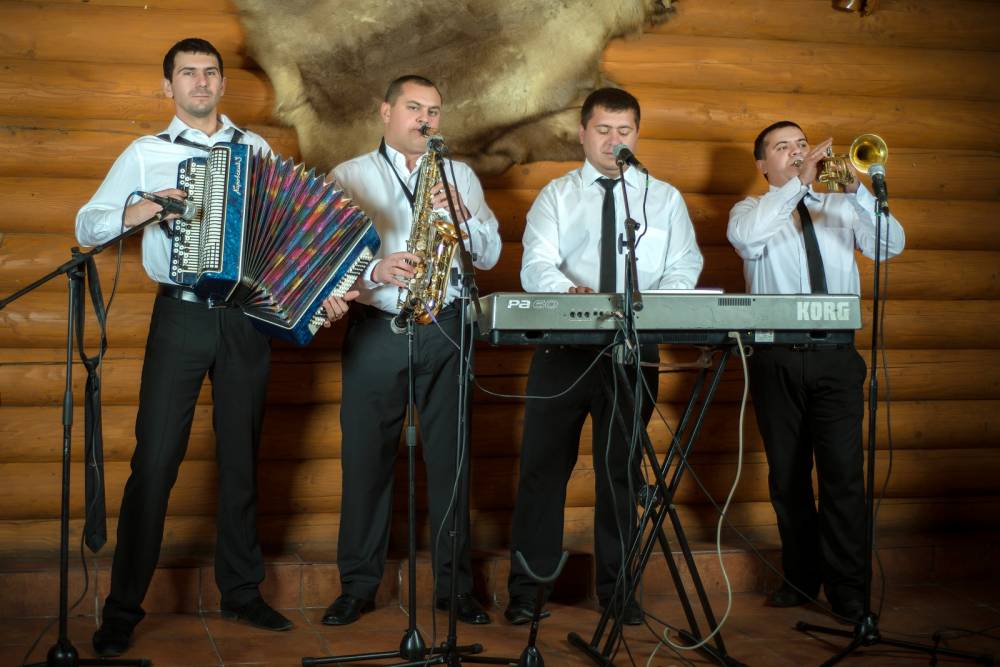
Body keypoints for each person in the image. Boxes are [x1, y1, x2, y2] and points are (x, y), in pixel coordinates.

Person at [76, 38, 354, 657]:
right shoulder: (146, 152)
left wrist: (322, 294)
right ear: (168, 87)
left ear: (223, 84)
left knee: (240, 458)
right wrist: (145, 208)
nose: (200, 82)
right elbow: (87, 224)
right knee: (154, 462)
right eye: (187, 73)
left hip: (244, 320)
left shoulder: (256, 151)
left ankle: (241, 592)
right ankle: (122, 609)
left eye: (209, 73)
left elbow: (287, 241)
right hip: (180, 316)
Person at [505, 88, 703, 625]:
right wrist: (568, 294)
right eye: (603, 130)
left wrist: (653, 304)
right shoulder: (556, 195)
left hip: (634, 350)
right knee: (543, 470)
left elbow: (685, 266)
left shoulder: (662, 198)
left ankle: (618, 591)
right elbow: (536, 265)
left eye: (624, 131)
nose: (614, 141)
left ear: (636, 134)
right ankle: (528, 591)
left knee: (621, 472)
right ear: (583, 133)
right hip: (564, 348)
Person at [321, 75, 502, 627]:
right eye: (414, 108)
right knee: (365, 460)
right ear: (386, 112)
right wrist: (375, 271)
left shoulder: (459, 175)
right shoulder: (349, 175)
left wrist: (464, 216)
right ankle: (357, 586)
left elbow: (490, 254)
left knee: (451, 461)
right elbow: (322, 261)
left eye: (434, 111)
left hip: (446, 327)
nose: (425, 119)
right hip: (378, 327)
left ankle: (455, 589)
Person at [727, 121, 905, 623]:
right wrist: (798, 184)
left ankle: (849, 591)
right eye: (782, 147)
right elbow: (747, 240)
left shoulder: (840, 205)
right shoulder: (750, 210)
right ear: (763, 165)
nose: (796, 152)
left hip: (835, 355)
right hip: (776, 355)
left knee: (843, 476)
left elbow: (890, 245)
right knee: (787, 477)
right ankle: (800, 579)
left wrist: (857, 192)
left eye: (801, 145)